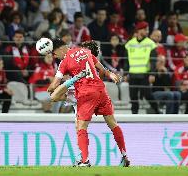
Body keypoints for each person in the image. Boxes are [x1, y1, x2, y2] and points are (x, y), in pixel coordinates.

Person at [47, 39, 130, 167]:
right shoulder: (85, 51)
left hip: (84, 94)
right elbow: (102, 70)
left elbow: (54, 87)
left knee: (81, 127)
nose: (54, 56)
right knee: (113, 123)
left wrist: (53, 86)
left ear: (61, 48)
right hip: (100, 90)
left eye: (54, 53)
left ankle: (84, 160)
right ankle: (125, 156)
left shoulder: (64, 62)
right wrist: (108, 76)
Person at [123, 21, 161, 114]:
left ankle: (157, 111)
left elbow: (153, 61)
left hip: (145, 74)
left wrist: (152, 74)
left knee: (148, 95)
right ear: (139, 30)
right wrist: (125, 73)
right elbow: (126, 61)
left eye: (147, 29)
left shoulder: (151, 44)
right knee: (133, 97)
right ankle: (134, 116)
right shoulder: (129, 44)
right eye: (145, 29)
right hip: (132, 74)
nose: (147, 31)